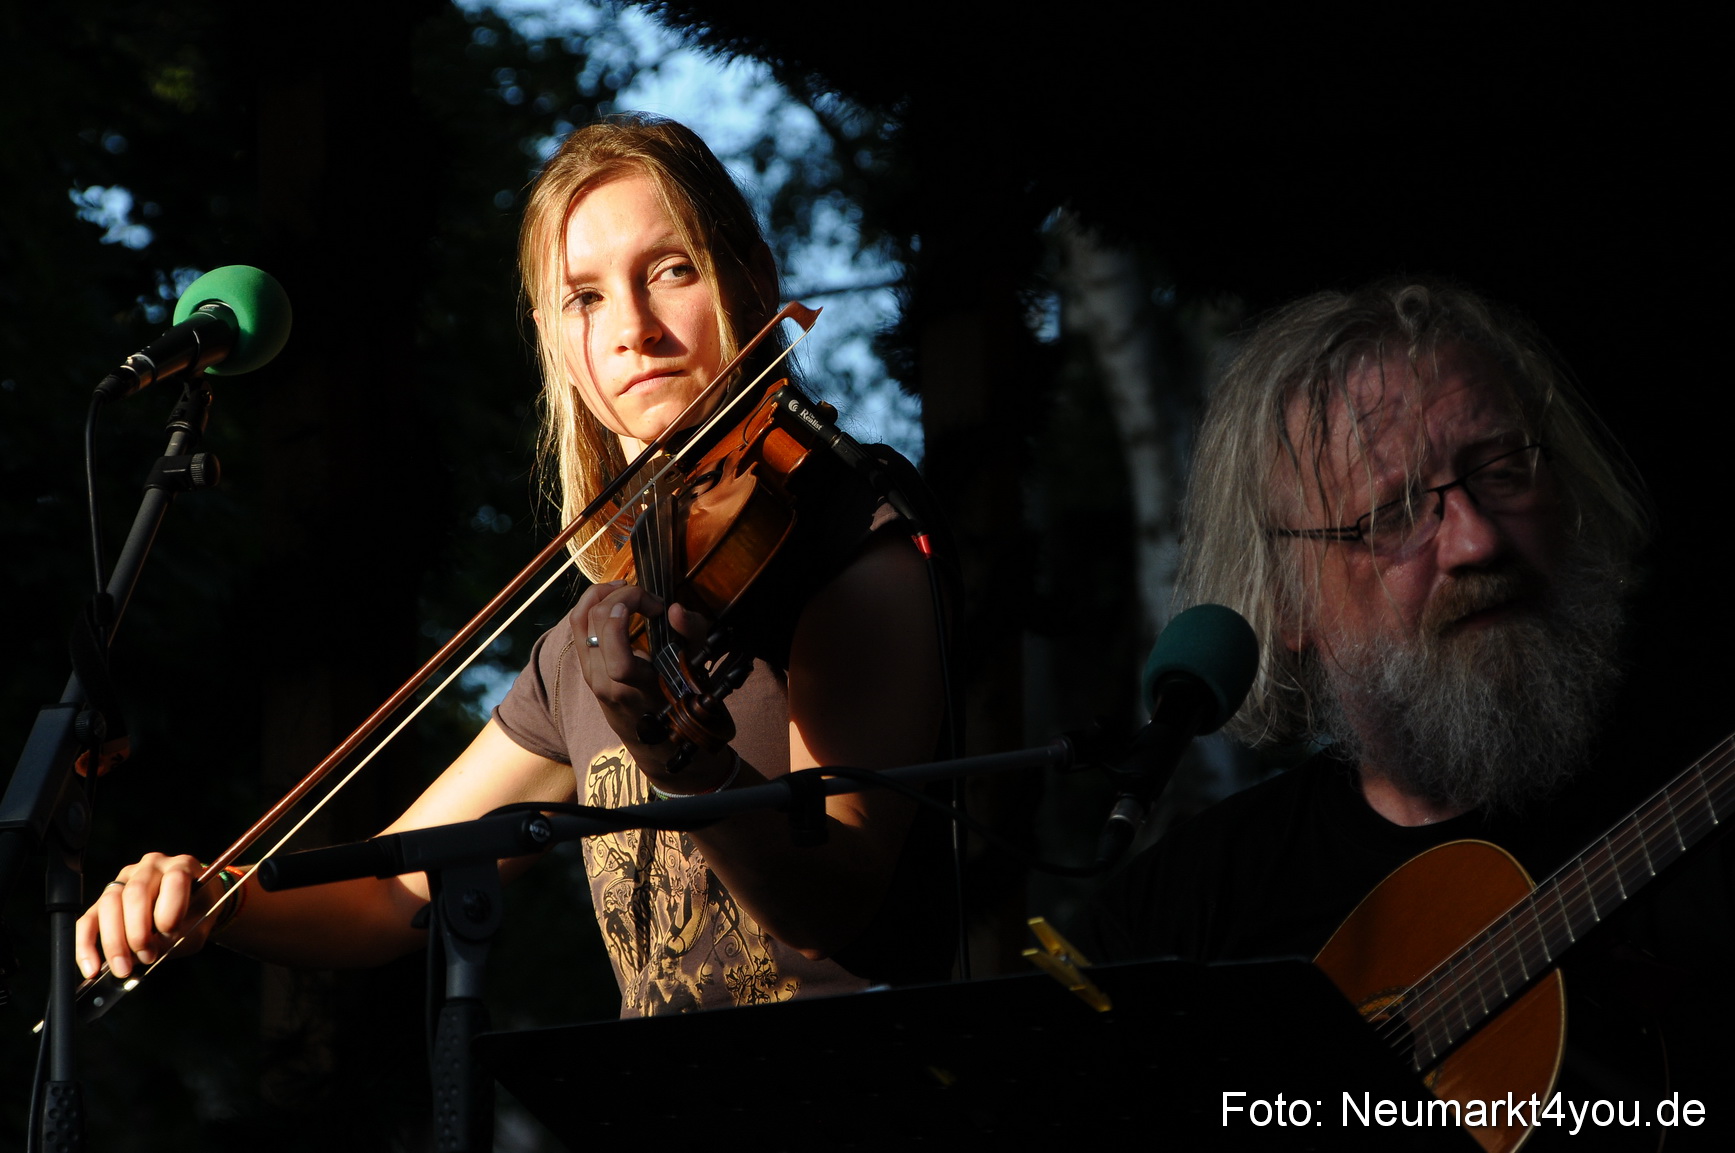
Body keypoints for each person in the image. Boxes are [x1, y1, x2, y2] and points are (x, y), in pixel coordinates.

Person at [76, 114, 952, 1018]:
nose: (634, 329)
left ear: (752, 279)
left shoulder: (845, 528)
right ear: (554, 339)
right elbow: (388, 895)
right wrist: (213, 898)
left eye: (670, 270)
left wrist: (683, 759)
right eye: (585, 297)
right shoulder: (596, 633)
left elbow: (831, 903)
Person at [1099, 278, 1733, 1142]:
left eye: (1502, 469)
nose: (1476, 539)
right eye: (1392, 514)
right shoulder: (1185, 914)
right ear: (1284, 601)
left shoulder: (1700, 778)